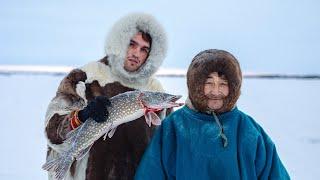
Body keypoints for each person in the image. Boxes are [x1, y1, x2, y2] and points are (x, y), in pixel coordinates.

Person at [44, 13, 168, 180]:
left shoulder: (154, 90)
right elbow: (53, 129)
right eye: (132, 44)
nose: (136, 53)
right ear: (120, 41)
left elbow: (167, 144)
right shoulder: (87, 76)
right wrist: (82, 115)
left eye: (144, 49)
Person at [135, 49, 290, 179]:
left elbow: (274, 174)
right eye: (208, 83)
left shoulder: (248, 130)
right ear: (195, 84)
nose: (216, 92)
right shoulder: (174, 127)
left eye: (223, 84)